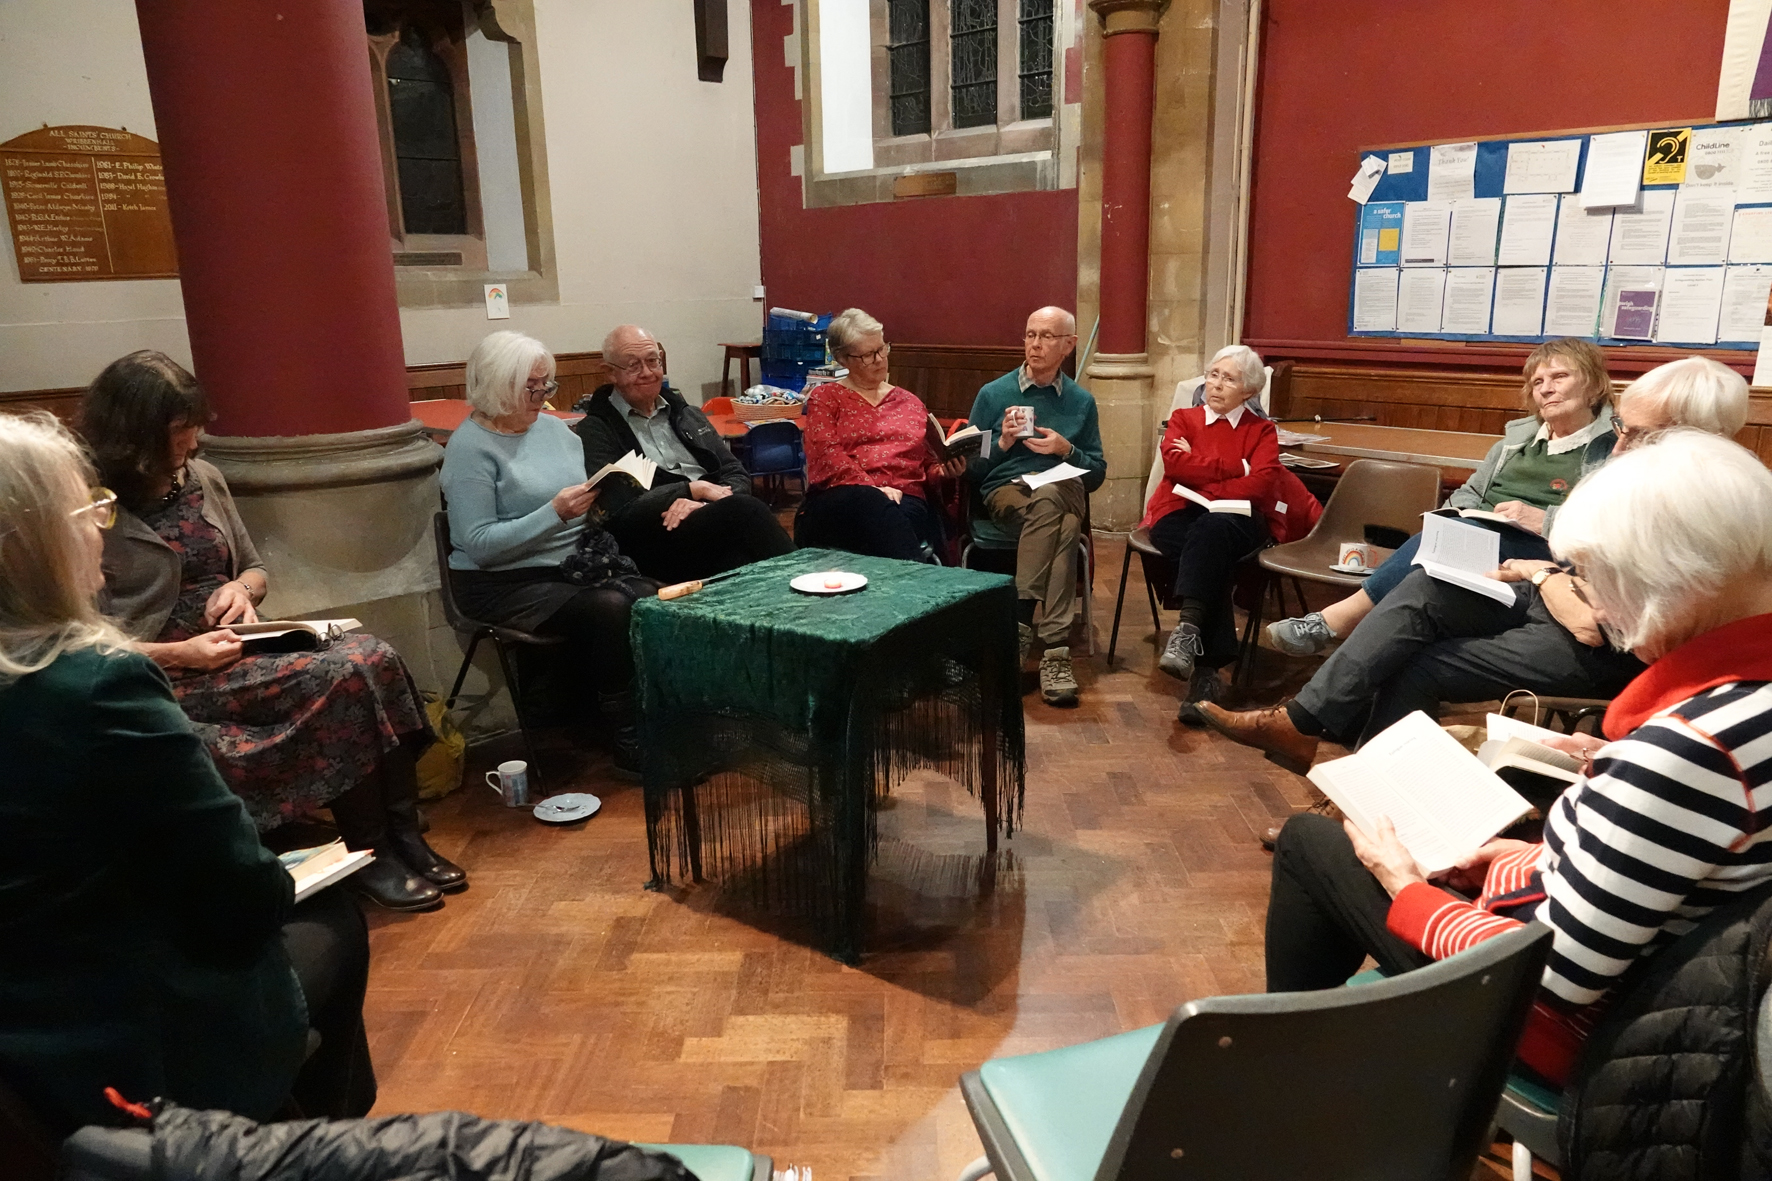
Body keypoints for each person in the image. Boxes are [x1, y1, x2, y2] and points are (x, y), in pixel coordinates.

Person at [1263, 428, 1772, 1090]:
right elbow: (1675, 865)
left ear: (1661, 580)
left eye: (1594, 578)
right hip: (1690, 1004)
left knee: (1313, 844)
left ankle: (1279, 1071)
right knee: (1472, 844)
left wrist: (1405, 887)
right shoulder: (1736, 714)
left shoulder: (1685, 751)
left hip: (1592, 1038)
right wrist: (1518, 859)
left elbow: (1554, 972)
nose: (1598, 603)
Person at [0, 412, 375, 1137]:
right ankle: (300, 1144)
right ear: (33, 543)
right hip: (116, 1047)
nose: (99, 531)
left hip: (18, 1036)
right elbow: (242, 894)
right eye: (88, 509)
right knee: (333, 919)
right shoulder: (95, 685)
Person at [1201, 357, 1752, 825]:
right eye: (1623, 428)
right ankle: (1303, 725)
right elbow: (1578, 579)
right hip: (1558, 605)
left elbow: (1593, 625)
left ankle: (1361, 809)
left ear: (1689, 437)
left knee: (1418, 662)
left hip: (1610, 652)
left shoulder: (1697, 508)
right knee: (1427, 586)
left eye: (1634, 433)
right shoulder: (1644, 481)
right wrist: (1551, 577)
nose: (1618, 443)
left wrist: (1540, 575)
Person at [85, 352, 460, 913]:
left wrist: (242, 589)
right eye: (179, 430)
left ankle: (404, 835)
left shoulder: (202, 478)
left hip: (238, 646)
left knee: (373, 655)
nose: (194, 440)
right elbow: (80, 639)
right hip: (168, 669)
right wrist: (178, 652)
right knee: (342, 676)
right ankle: (371, 850)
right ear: (131, 436)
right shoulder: (90, 511)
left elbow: (256, 568)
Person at [1267, 338, 1616, 656]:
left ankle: (1333, 622)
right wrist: (1449, 518)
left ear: (1593, 385)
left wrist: (1545, 519)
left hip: (1545, 558)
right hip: (1481, 542)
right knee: (1427, 564)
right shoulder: (1514, 442)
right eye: (1538, 382)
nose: (1546, 390)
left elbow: (1612, 524)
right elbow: (1471, 492)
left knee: (1441, 559)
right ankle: (1348, 655)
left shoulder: (1612, 449)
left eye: (1559, 377)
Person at [439, 330, 658, 772]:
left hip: (570, 564)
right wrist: (553, 514)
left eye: (547, 385)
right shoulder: (470, 449)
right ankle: (629, 736)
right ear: (497, 384)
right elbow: (480, 545)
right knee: (613, 607)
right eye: (531, 386)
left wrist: (605, 498)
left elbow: (580, 504)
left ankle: (659, 719)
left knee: (657, 594)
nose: (542, 395)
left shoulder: (557, 433)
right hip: (501, 581)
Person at [1141, 345, 1308, 708]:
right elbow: (1175, 468)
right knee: (1208, 544)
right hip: (1178, 512)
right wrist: (1236, 468)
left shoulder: (1261, 430)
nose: (1215, 385)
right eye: (1213, 375)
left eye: (1228, 379)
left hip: (1240, 518)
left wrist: (1202, 470)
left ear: (1248, 391)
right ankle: (1205, 674)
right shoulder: (1184, 419)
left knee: (1212, 532)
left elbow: (1261, 485)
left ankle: (1187, 633)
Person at [573, 325, 794, 584]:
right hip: (655, 534)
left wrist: (704, 504)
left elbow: (734, 472)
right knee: (746, 510)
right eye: (633, 365)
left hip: (713, 519)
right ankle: (808, 585)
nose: (647, 373)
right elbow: (621, 509)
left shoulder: (687, 414)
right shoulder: (598, 428)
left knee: (738, 563)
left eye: (653, 361)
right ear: (610, 373)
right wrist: (690, 490)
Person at [965, 306, 1106, 707]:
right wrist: (1004, 442)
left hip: (1064, 486)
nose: (1035, 344)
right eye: (1030, 335)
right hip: (1008, 491)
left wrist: (1068, 450)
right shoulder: (994, 394)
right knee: (1062, 527)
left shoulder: (1081, 402)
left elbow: (1096, 474)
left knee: (1052, 497)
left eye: (1046, 336)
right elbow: (973, 469)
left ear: (1069, 345)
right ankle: (1055, 650)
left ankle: (1020, 625)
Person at [796, 308, 963, 561]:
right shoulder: (826, 398)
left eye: (882, 349)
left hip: (905, 499)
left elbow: (925, 465)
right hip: (841, 499)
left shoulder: (910, 402)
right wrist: (874, 490)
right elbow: (827, 455)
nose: (879, 359)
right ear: (843, 359)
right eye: (867, 355)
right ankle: (921, 587)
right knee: (873, 507)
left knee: (896, 519)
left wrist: (944, 473)